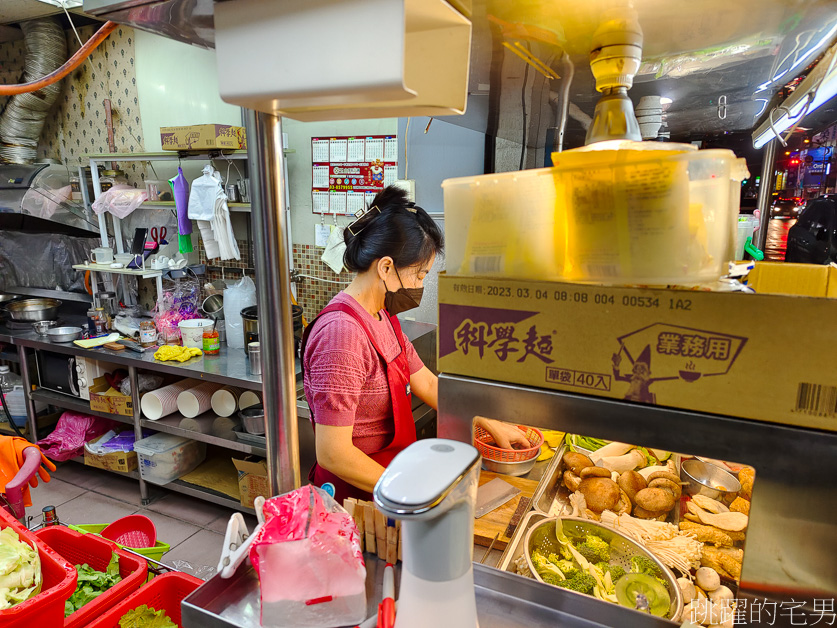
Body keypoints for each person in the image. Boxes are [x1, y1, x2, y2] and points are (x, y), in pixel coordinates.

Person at [301, 186, 529, 502]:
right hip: (356, 498)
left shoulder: (382, 315)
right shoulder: (342, 336)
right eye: (419, 275)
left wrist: (490, 424)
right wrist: (411, 493)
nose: (419, 286)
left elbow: (427, 383)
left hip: (390, 481)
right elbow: (333, 454)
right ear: (385, 267)